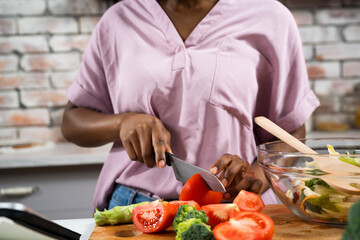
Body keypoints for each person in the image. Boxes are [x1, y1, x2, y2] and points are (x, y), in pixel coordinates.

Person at [61, 0, 320, 211]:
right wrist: (121, 123)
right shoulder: (119, 20)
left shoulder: (271, 17)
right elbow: (72, 121)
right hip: (135, 205)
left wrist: (255, 179)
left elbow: (293, 133)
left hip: (232, 208)